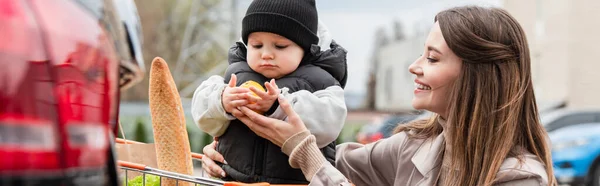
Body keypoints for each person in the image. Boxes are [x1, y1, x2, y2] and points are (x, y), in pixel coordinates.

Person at [200, 6, 558, 186]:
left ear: (479, 76)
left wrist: (303, 150)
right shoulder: (415, 146)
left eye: (432, 59)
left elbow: (314, 162)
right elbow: (331, 165)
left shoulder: (519, 178)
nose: (414, 67)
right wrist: (237, 152)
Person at [190, 0, 348, 184]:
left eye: (280, 46)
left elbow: (329, 123)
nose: (266, 54)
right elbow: (201, 109)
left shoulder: (321, 82)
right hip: (234, 179)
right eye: (257, 46)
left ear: (305, 49)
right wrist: (222, 101)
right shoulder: (236, 76)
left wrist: (279, 106)